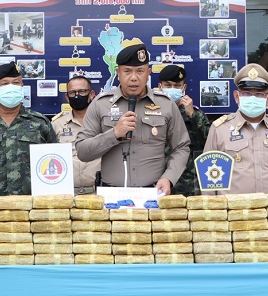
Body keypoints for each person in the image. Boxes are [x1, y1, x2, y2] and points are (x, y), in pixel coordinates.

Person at [76, 44, 190, 194]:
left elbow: (181, 147)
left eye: (140, 71)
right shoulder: (100, 104)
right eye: (127, 71)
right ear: (118, 73)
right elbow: (83, 151)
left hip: (154, 193)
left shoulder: (166, 104)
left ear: (148, 73)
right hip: (111, 195)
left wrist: (169, 178)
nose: (134, 78)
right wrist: (114, 134)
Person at [0, 62, 57, 196]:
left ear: (22, 86)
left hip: (30, 204)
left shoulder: (40, 123)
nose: (11, 87)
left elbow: (56, 162)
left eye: (16, 83)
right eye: (5, 84)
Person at [204, 64, 268, 194]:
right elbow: (208, 181)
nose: (252, 98)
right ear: (237, 97)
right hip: (234, 207)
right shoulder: (220, 129)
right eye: (246, 93)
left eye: (259, 94)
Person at [156, 65, 211, 196]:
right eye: (168, 85)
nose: (172, 89)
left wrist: (192, 115)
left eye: (177, 86)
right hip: (159, 181)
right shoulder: (151, 112)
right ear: (160, 87)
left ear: (184, 88)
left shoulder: (194, 113)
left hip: (187, 184)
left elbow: (209, 143)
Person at [51, 76, 100, 194]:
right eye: (72, 93)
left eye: (82, 91)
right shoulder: (57, 124)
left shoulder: (103, 122)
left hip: (98, 192)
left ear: (92, 94)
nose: (77, 96)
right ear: (67, 97)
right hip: (66, 193)